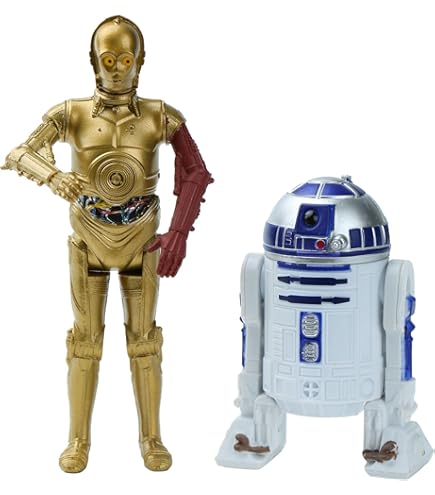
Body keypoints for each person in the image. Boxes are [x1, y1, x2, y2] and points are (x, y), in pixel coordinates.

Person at [2, 15, 212, 474]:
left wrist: (178, 232)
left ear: (141, 61)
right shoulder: (71, 113)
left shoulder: (159, 115)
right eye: (109, 59)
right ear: (94, 61)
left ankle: (151, 438)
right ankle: (78, 440)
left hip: (143, 238)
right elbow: (18, 153)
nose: (116, 69)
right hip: (89, 237)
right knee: (84, 343)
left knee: (145, 342)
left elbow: (196, 171)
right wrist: (53, 176)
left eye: (125, 59)